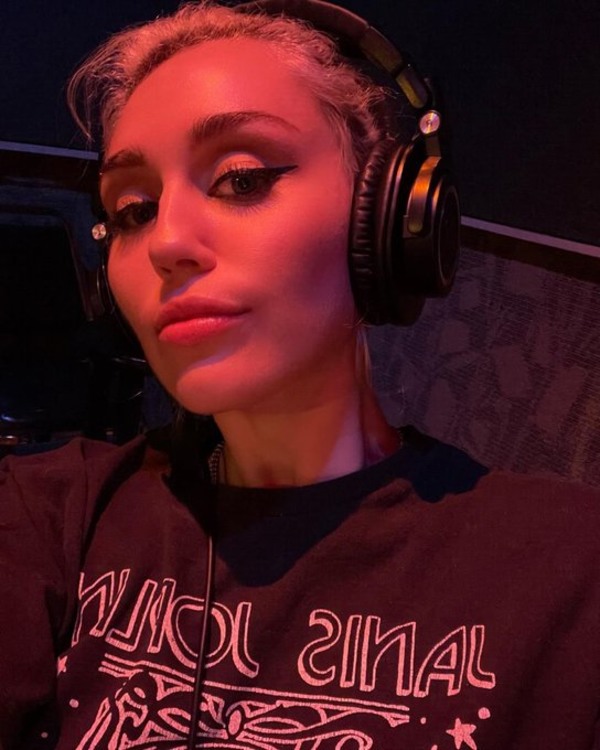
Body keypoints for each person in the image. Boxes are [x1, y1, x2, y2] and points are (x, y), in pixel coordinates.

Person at [1, 1, 599, 748]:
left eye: (240, 179)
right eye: (133, 210)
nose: (166, 242)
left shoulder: (571, 567)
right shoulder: (49, 515)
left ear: (388, 219)